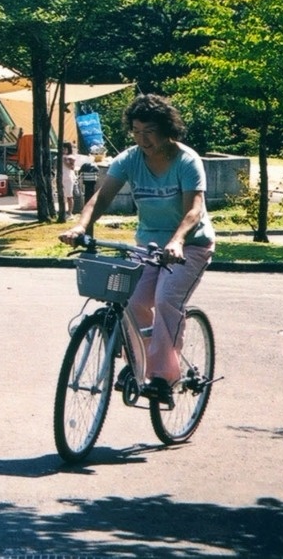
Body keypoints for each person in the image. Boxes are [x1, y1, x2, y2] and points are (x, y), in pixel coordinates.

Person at [58, 93, 215, 407]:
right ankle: (145, 363)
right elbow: (100, 198)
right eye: (137, 131)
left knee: (165, 298)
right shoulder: (129, 159)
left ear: (167, 129)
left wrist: (177, 241)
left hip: (190, 245)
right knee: (131, 301)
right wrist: (80, 226)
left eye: (150, 132)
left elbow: (194, 210)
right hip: (148, 244)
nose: (143, 139)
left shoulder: (186, 160)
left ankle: (163, 377)